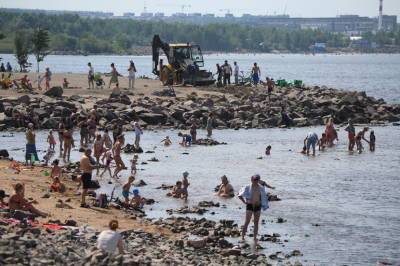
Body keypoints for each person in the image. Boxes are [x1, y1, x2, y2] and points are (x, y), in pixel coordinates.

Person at [238, 174, 268, 244]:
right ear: (251, 179)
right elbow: (239, 195)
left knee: (256, 222)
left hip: (258, 206)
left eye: (257, 179)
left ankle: (254, 238)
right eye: (254, 179)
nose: (255, 181)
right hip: (250, 205)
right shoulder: (247, 187)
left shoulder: (261, 188)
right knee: (247, 221)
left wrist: (263, 204)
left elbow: (264, 197)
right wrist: (244, 202)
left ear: (259, 180)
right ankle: (242, 236)